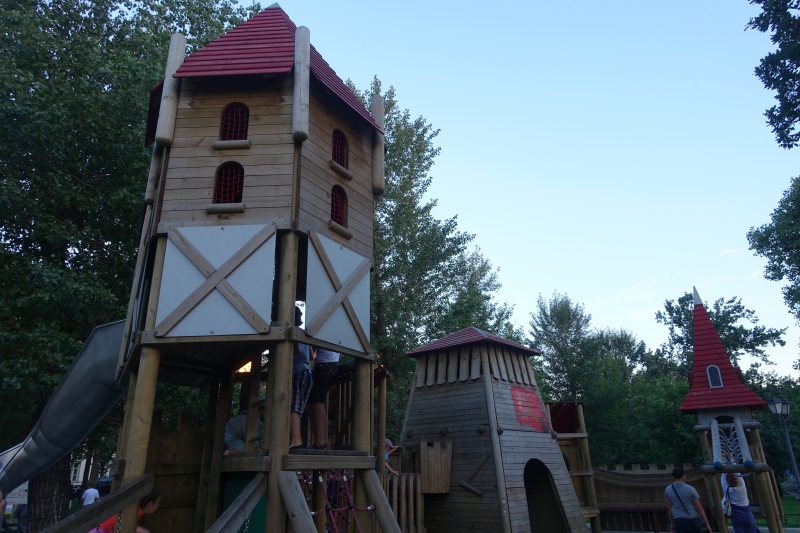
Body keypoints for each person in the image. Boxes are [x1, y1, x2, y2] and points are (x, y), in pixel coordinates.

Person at [307, 347, 340, 450]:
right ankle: (319, 441)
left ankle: (321, 443)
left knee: (317, 402)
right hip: (327, 364)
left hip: (326, 364)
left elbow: (310, 352)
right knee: (310, 403)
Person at [665, 467, 712, 533]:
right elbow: (699, 507)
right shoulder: (690, 489)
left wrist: (671, 523)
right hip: (692, 519)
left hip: (678, 519)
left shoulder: (668, 489)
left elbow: (668, 508)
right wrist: (707, 524)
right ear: (683, 475)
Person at [290, 306, 312, 448]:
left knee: (294, 407)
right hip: (307, 372)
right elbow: (310, 355)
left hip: (297, 370)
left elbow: (296, 349)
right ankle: (296, 438)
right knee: (299, 406)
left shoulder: (294, 331)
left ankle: (296, 440)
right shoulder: (304, 333)